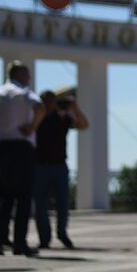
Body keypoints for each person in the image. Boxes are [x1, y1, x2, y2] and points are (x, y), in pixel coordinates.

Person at [0, 61, 45, 256]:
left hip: (3, 147)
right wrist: (32, 127)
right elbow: (40, 107)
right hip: (21, 147)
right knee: (23, 197)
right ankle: (19, 242)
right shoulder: (22, 91)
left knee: (5, 196)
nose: (29, 78)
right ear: (20, 74)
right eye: (27, 74)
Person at [33, 90, 89, 249]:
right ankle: (44, 238)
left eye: (52, 101)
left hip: (59, 165)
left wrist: (75, 108)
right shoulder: (37, 116)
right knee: (40, 205)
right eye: (46, 101)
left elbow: (84, 125)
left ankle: (62, 234)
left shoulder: (62, 117)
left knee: (63, 203)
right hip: (40, 165)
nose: (49, 104)